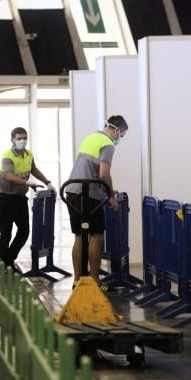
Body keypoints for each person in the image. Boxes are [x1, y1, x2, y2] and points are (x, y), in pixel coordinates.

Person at [65, 115, 128, 290]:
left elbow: (90, 170)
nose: (119, 139)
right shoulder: (107, 144)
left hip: (72, 191)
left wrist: (107, 189)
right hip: (87, 194)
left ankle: (78, 280)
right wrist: (110, 197)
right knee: (97, 235)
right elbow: (104, 174)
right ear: (116, 130)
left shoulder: (91, 137)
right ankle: (94, 281)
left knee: (79, 236)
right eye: (120, 136)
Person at [0, 126, 56, 272]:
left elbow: (33, 169)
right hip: (6, 198)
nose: (22, 141)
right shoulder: (7, 156)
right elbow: (9, 175)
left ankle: (8, 259)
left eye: (24, 138)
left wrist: (48, 182)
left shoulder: (28, 154)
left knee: (24, 231)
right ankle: (6, 264)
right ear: (12, 140)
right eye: (19, 138)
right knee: (6, 233)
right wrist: (27, 182)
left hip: (20, 199)